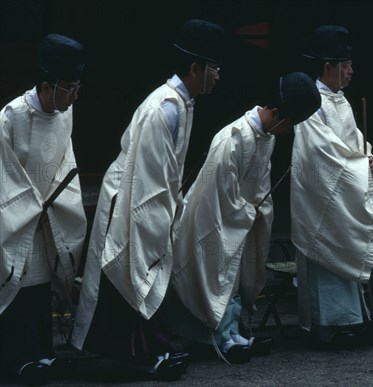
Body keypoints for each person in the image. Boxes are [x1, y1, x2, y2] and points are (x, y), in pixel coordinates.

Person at [71, 19, 224, 380]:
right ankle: (140, 355)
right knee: (129, 273)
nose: (218, 75)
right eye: (214, 68)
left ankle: (148, 350)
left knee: (141, 276)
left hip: (145, 195)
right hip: (132, 200)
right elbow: (149, 178)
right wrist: (162, 215)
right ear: (194, 68)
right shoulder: (164, 109)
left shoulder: (181, 104)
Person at [166, 72, 321, 364]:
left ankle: (233, 330)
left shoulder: (267, 138)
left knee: (237, 275)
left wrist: (258, 211)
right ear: (276, 113)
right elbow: (218, 195)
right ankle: (216, 336)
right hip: (214, 222)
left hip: (241, 220)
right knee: (219, 274)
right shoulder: (233, 140)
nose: (289, 132)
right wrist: (248, 211)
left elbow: (261, 185)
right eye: (290, 124)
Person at [0, 33, 87, 385]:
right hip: (13, 219)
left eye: (78, 87)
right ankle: (14, 360)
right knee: (15, 288)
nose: (74, 96)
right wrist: (27, 209)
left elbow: (66, 163)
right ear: (46, 85)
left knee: (39, 289)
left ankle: (42, 354)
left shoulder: (66, 112)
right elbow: (3, 175)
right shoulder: (10, 117)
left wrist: (53, 208)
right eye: (69, 88)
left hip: (47, 218)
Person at [291, 25, 373, 349]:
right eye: (345, 65)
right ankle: (326, 325)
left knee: (346, 251)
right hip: (322, 196)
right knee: (325, 257)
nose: (351, 71)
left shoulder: (339, 100)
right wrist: (356, 164)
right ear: (327, 66)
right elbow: (318, 152)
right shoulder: (310, 102)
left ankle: (350, 321)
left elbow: (353, 139)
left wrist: (366, 156)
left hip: (345, 186)